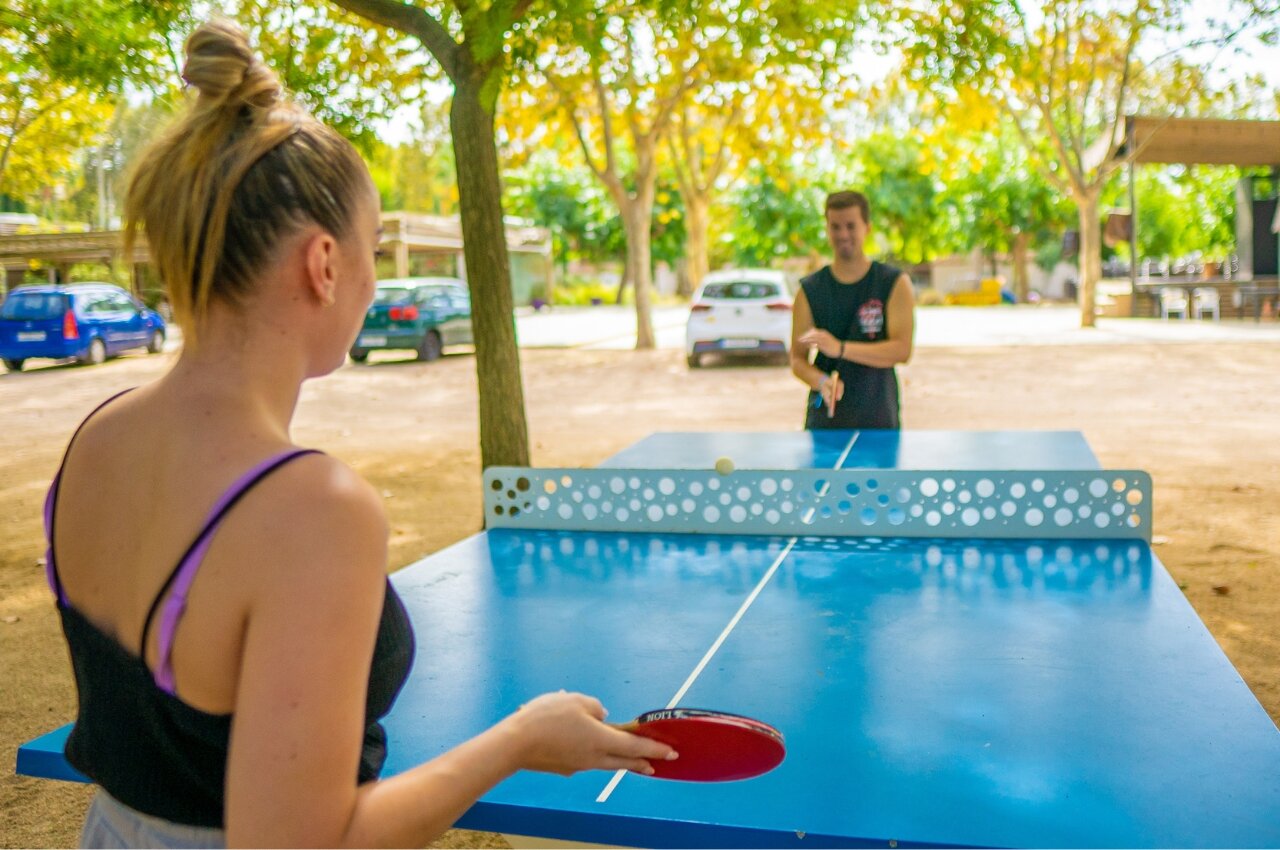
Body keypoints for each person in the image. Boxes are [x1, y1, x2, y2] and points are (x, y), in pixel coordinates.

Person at [43, 18, 673, 849]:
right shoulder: (313, 509)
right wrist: (522, 740)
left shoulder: (96, 438)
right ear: (325, 263)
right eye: (373, 249)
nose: (376, 281)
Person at [791, 191, 915, 429]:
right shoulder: (809, 289)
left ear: (867, 227)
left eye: (851, 226)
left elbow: (901, 351)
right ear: (827, 228)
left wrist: (840, 348)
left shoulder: (894, 283)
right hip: (825, 423)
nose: (843, 234)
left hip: (879, 417)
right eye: (835, 227)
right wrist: (821, 380)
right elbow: (797, 359)